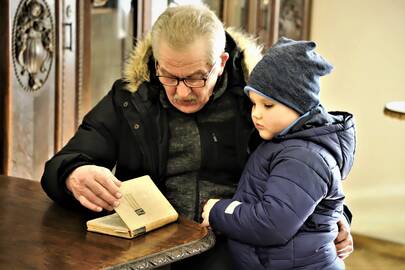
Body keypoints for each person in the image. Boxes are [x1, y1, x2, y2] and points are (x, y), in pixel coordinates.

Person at [40, 4, 353, 269]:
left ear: (221, 63)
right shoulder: (130, 98)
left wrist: (336, 216)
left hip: (237, 252)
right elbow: (63, 163)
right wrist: (73, 174)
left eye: (194, 77)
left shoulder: (262, 99)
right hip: (150, 251)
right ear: (156, 62)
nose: (180, 92)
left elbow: (311, 160)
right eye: (169, 76)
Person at [201, 37, 356, 270]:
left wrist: (218, 210)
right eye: (253, 104)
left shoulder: (303, 157)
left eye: (268, 105)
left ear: (300, 105)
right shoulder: (283, 141)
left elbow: (273, 223)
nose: (257, 114)